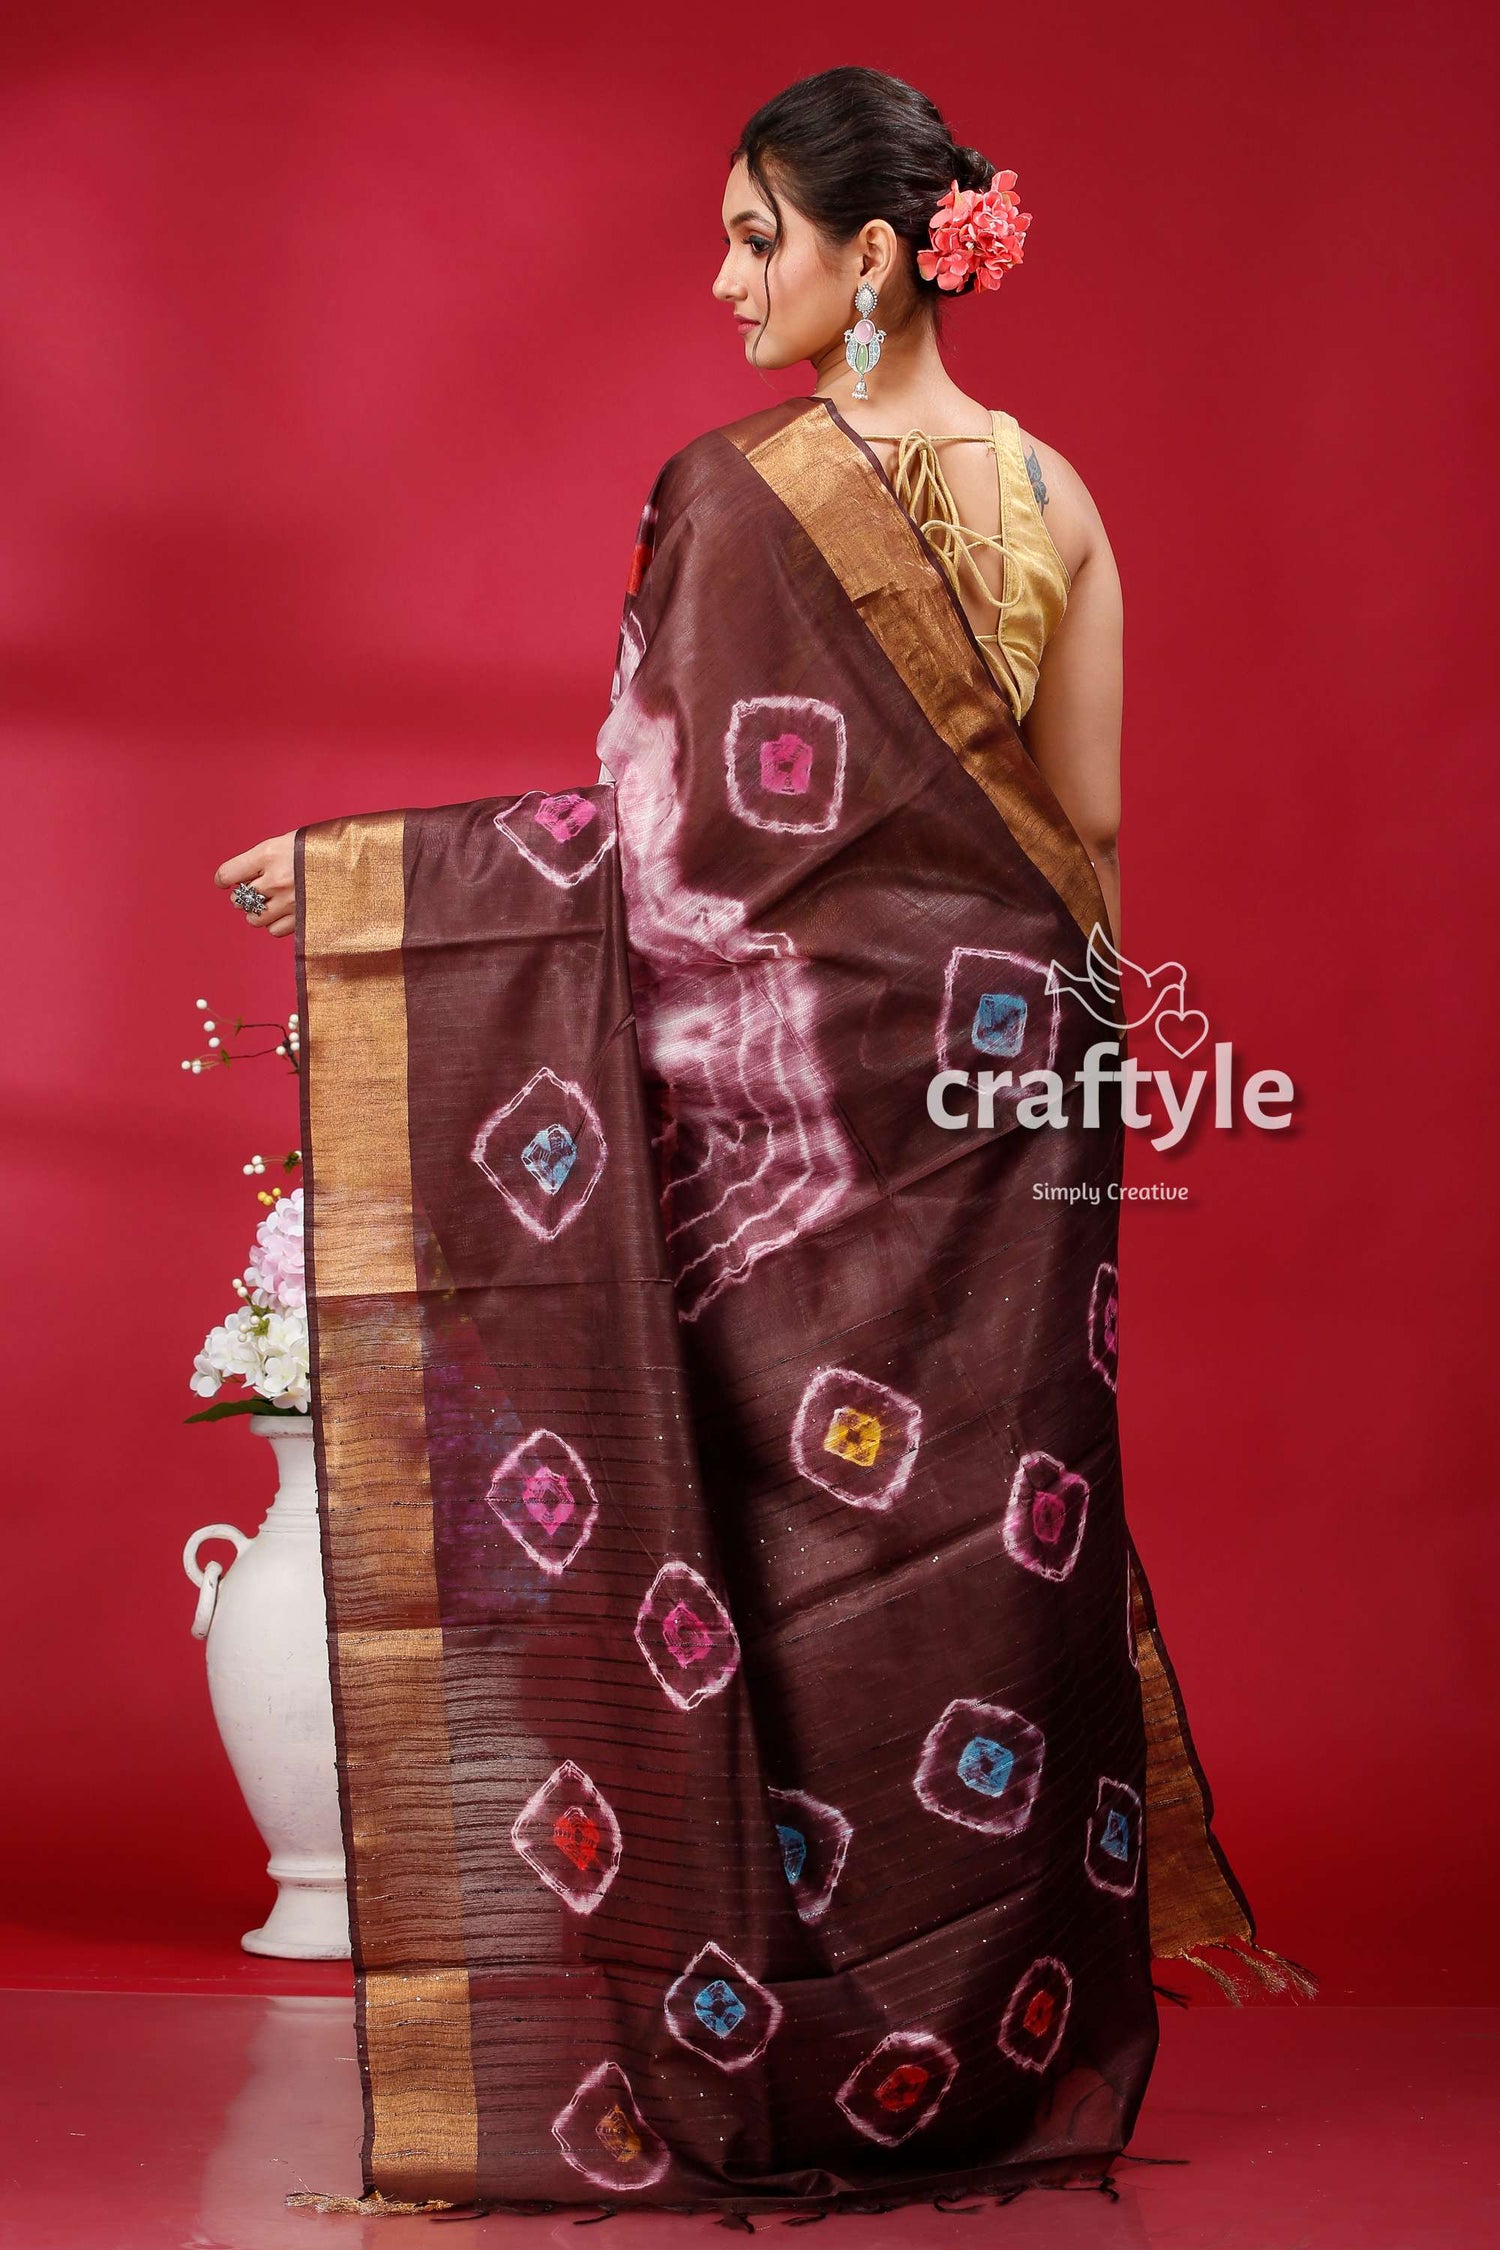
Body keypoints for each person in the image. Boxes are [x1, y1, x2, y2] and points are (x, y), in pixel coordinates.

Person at [221, 66, 1311, 2227]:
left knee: (786, 1546)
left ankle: (779, 2044)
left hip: (784, 1115)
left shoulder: (734, 493)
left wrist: (365, 886)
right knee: (988, 1533)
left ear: (874, 259)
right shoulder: (1056, 494)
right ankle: (987, 2051)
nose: (725, 276)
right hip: (1016, 1112)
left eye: (755, 236)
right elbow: (1081, 835)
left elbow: (654, 845)